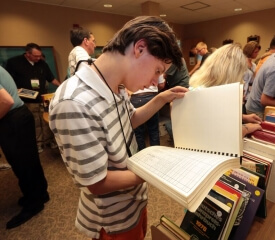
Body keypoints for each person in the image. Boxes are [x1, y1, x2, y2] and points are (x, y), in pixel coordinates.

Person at [48, 16, 188, 240]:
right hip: (112, 219)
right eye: (157, 70)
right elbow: (97, 182)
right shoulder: (73, 102)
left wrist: (162, 98)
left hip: (133, 201)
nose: (156, 80)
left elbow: (129, 120)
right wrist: (155, 173)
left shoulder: (116, 85)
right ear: (140, 48)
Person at [0, 66, 49, 229]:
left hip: (12, 119)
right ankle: (40, 194)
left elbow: (6, 101)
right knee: (30, 161)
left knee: (23, 165)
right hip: (20, 116)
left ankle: (34, 204)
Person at [189, 43, 262, 136]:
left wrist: (243, 117)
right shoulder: (207, 95)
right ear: (230, 74)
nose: (242, 81)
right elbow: (221, 131)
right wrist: (246, 128)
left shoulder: (202, 88)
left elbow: (218, 116)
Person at [5, 43, 61, 152]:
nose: (38, 58)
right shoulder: (14, 63)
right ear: (28, 54)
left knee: (46, 120)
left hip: (43, 98)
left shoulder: (42, 64)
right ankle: (38, 143)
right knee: (34, 122)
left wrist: (62, 86)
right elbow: (10, 82)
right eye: (36, 56)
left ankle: (49, 141)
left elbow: (51, 78)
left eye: (40, 55)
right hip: (27, 99)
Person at [130, 75, 165, 151]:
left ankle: (142, 157)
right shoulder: (157, 64)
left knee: (138, 132)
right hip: (151, 97)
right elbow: (161, 84)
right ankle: (156, 154)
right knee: (154, 130)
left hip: (135, 98)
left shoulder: (131, 64)